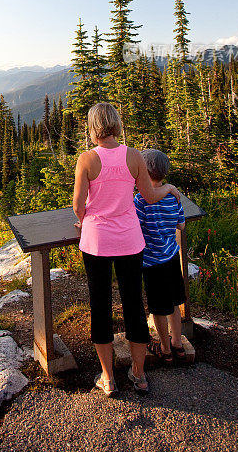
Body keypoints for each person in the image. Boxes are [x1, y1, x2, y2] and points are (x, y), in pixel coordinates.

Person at [73, 103, 181, 396]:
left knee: (100, 306)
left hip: (96, 242)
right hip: (130, 242)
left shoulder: (87, 159)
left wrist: (83, 221)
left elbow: (78, 206)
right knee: (134, 304)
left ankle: (108, 378)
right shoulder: (134, 156)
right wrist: (169, 189)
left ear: (93, 127)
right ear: (116, 124)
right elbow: (149, 194)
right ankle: (139, 374)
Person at [134, 149, 187, 363]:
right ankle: (178, 345)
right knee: (174, 302)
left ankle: (164, 349)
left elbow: (135, 227)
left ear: (143, 173)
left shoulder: (140, 200)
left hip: (152, 262)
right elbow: (181, 224)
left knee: (158, 308)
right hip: (172, 256)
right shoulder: (173, 196)